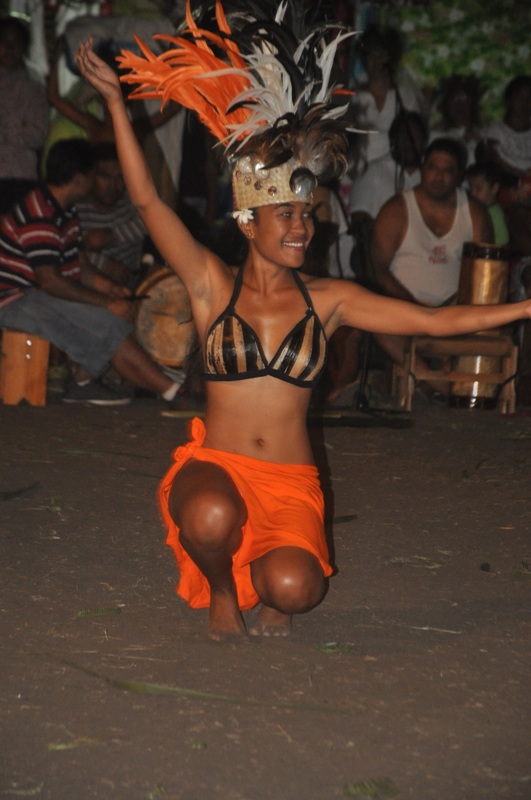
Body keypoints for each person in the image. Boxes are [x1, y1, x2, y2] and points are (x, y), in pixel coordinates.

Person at [76, 3, 531, 641]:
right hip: (221, 468)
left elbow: (437, 319)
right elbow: (149, 198)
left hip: (290, 484)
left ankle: (268, 587)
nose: (300, 226)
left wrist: (524, 305)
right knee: (207, 515)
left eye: (305, 214)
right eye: (284, 214)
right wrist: (116, 106)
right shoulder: (211, 285)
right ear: (248, 220)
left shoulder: (331, 298)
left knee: (294, 591)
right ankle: (223, 592)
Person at [0, 138, 183, 406]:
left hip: (33, 294)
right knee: (105, 320)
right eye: (95, 174)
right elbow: (50, 282)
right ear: (79, 177)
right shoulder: (39, 211)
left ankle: (83, 381)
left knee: (111, 313)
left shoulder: (63, 209)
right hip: (12, 300)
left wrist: (109, 289)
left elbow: (78, 265)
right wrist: (108, 302)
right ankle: (171, 393)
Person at [370, 137, 493, 395]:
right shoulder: (396, 210)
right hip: (405, 309)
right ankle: (440, 384)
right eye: (432, 168)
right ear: (423, 168)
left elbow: (484, 272)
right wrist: (413, 307)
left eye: (447, 170)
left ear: (459, 175)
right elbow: (378, 269)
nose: (438, 177)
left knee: (488, 321)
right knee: (376, 321)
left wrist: (455, 308)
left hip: (455, 311)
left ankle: (438, 377)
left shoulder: (475, 212)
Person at [77, 142, 147, 287]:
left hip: (131, 284)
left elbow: (154, 223)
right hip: (88, 287)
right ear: (91, 175)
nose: (113, 185)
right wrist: (104, 264)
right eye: (105, 176)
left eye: (120, 177)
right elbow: (66, 252)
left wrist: (112, 235)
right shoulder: (78, 206)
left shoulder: (131, 200)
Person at [0, 16, 49, 215]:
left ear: (24, 48)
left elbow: (37, 136)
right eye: (4, 42)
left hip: (21, 178)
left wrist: (8, 128)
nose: (10, 49)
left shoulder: (33, 89)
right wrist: (18, 126)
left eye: (16, 43)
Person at [429, 74, 484, 167]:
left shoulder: (484, 134)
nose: (460, 105)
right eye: (454, 99)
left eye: (465, 99)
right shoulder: (435, 136)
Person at [466, 161, 509, 246]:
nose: (473, 193)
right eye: (471, 188)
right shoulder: (481, 209)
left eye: (478, 188)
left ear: (494, 188)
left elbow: (503, 242)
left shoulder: (494, 214)